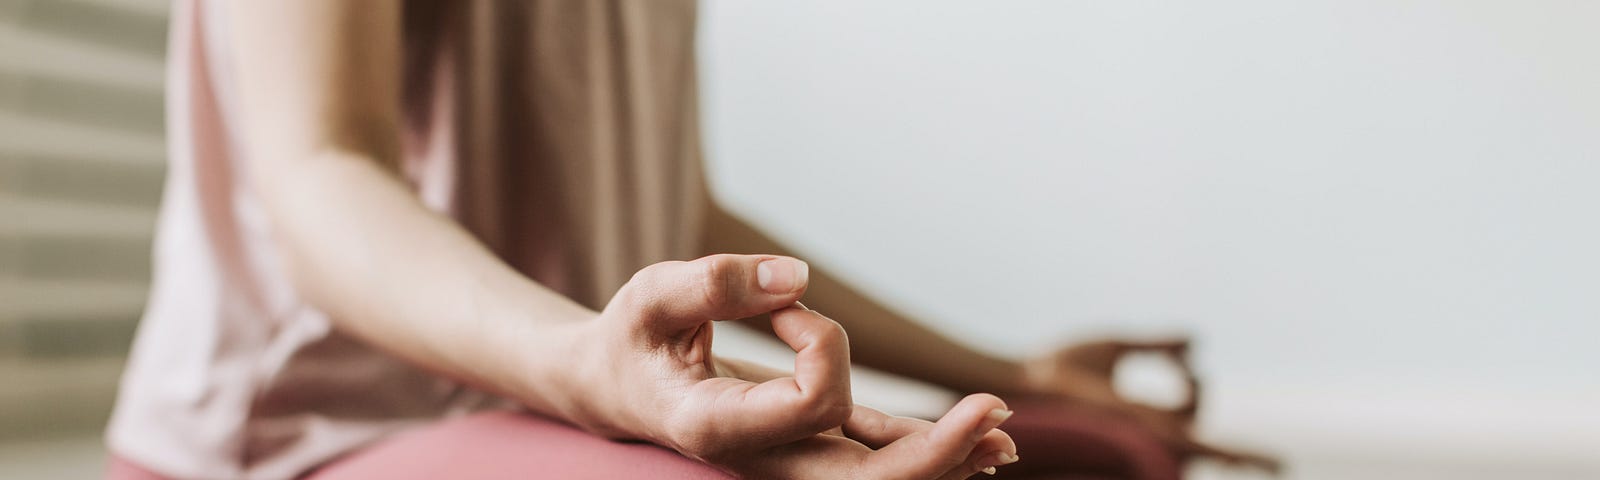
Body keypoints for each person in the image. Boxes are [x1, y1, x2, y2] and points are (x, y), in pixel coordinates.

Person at [107, 1, 1275, 479]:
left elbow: (680, 212)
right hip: (310, 433)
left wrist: (1011, 376)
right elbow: (321, 174)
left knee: (1098, 456)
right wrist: (598, 378)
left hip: (564, 399)